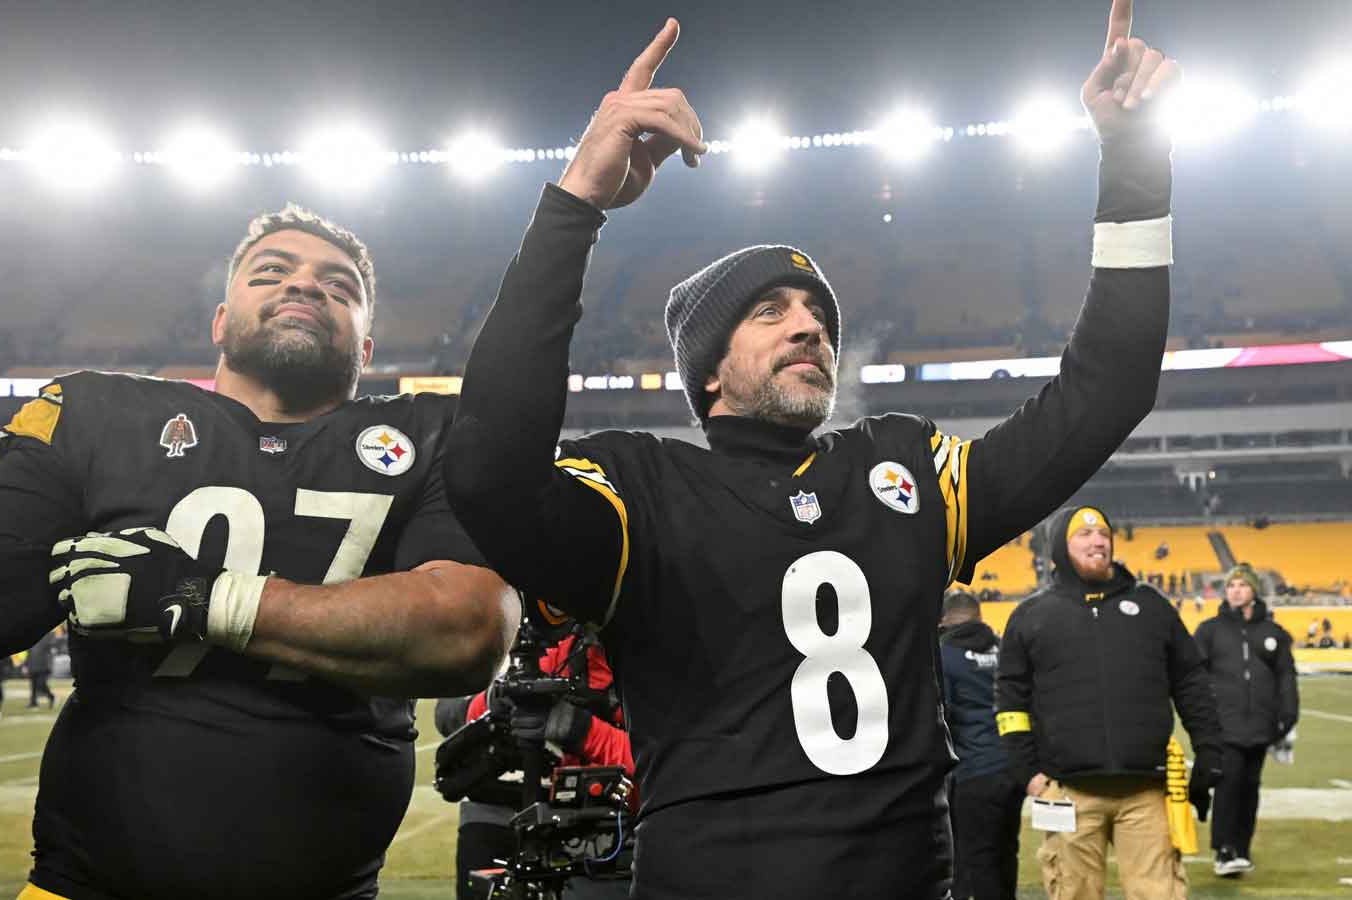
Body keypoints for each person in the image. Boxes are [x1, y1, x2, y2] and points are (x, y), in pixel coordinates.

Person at [444, 5, 1182, 896]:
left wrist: (1133, 165)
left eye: (820, 317)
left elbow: (1109, 390)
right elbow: (486, 473)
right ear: (707, 371)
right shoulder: (643, 487)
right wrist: (576, 205)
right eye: (771, 312)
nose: (809, 328)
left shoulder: (900, 469)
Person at [0, 205, 518, 900]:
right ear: (220, 321)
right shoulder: (97, 414)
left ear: (366, 343)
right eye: (272, 271)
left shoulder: (432, 433)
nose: (304, 286)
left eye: (338, 286)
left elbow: (466, 629)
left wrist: (200, 597)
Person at [996, 505, 1223, 900]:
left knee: (1160, 895)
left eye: (1103, 533)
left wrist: (1209, 750)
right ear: (1059, 547)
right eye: (1083, 534)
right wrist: (1027, 772)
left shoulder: (1151, 607)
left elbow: (1191, 683)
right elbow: (1010, 701)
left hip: (1146, 790)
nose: (1098, 541)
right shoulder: (1031, 615)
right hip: (1067, 792)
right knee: (1074, 893)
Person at [436, 631, 633, 900]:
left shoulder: (659, 661)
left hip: (630, 827)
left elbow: (669, 767)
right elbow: (458, 716)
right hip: (564, 816)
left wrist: (580, 730)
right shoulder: (571, 648)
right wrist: (500, 700)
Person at [1192, 563, 1298, 877]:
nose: (1236, 591)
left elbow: (1286, 678)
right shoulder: (1209, 631)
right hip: (1225, 725)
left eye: (1242, 585)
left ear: (1254, 590)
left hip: (1261, 727)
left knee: (1250, 789)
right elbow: (1194, 676)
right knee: (1228, 785)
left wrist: (1288, 715)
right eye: (1231, 586)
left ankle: (1241, 849)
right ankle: (1224, 849)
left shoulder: (1274, 633)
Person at [940, 589, 1023, 900]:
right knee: (1007, 850)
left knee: (975, 858)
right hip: (1012, 768)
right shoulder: (1003, 649)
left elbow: (943, 716)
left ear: (944, 621)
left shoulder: (945, 655)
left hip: (973, 771)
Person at [25, 628, 60, 710]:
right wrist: (26, 665)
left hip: (43, 665)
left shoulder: (49, 635)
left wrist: (49, 664)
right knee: (33, 685)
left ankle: (52, 697)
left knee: (41, 684)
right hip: (32, 664)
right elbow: (28, 652)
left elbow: (53, 648)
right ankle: (33, 703)